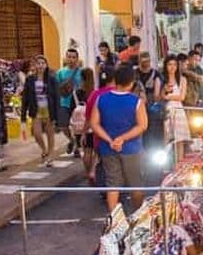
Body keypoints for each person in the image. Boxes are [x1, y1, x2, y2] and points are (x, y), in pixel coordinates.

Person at [90, 63, 148, 211]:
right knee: (136, 183)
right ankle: (137, 216)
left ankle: (113, 219)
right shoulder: (136, 101)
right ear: (131, 82)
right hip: (132, 148)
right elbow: (142, 125)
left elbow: (94, 124)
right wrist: (123, 138)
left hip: (107, 148)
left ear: (115, 80)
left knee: (113, 183)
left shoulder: (101, 99)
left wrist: (110, 140)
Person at [20, 55, 58, 166]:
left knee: (50, 134)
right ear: (35, 65)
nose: (40, 65)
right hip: (36, 110)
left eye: (43, 63)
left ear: (46, 65)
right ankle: (44, 149)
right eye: (38, 63)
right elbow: (25, 98)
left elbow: (56, 97)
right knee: (37, 134)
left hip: (49, 109)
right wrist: (23, 116)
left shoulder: (51, 79)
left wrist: (57, 114)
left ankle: (50, 156)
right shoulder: (30, 79)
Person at [155, 55, 191, 163]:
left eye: (174, 64)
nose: (172, 67)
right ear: (165, 66)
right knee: (167, 139)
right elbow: (157, 97)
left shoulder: (182, 79)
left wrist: (167, 96)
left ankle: (179, 165)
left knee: (179, 140)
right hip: (166, 110)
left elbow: (182, 97)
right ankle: (167, 165)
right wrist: (164, 92)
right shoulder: (160, 79)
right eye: (170, 64)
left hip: (178, 110)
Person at [56, 48, 83, 155]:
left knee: (77, 126)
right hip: (64, 101)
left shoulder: (81, 72)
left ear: (77, 58)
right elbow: (57, 87)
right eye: (69, 57)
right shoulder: (61, 72)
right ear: (66, 58)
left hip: (77, 102)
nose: (71, 59)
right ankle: (72, 141)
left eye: (73, 57)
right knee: (63, 125)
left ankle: (77, 145)